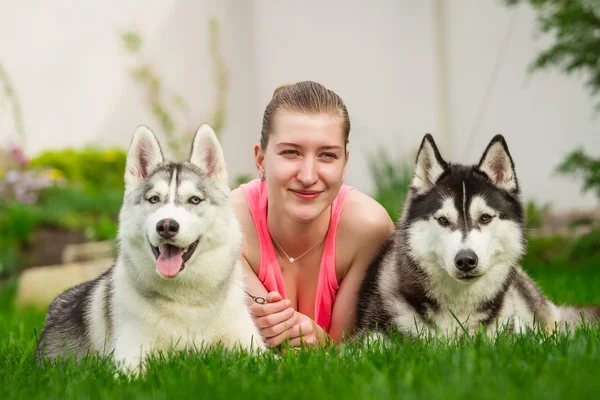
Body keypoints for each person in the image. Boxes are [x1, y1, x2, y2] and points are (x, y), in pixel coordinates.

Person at [230, 81, 394, 348]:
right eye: (291, 153)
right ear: (260, 160)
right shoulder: (228, 225)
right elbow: (262, 345)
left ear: (345, 163)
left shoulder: (368, 230)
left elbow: (349, 352)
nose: (307, 176)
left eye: (327, 155)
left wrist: (322, 343)